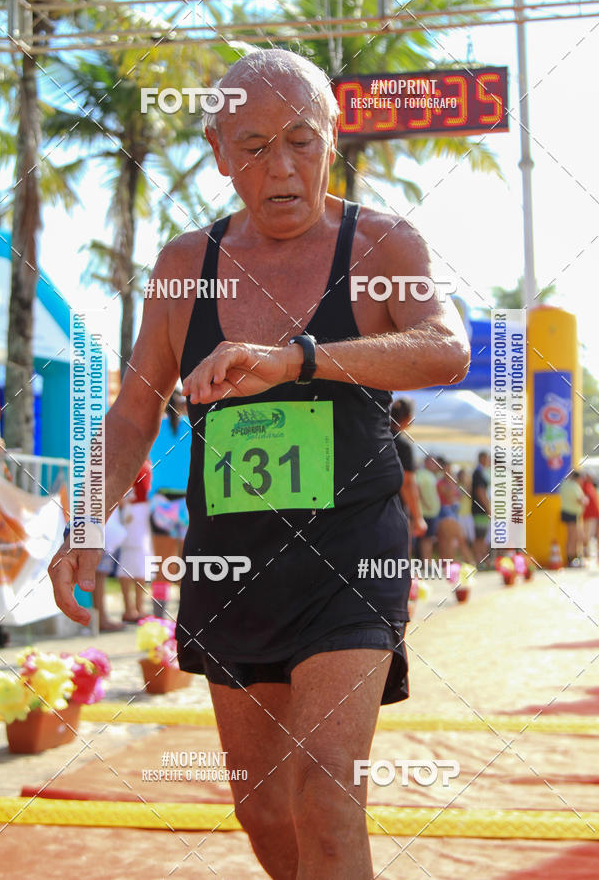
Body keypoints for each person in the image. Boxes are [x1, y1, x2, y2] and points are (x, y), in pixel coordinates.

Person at [48, 49, 469, 879]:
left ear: (333, 141)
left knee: (323, 787)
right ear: (215, 152)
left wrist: (296, 359)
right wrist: (84, 526)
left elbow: (445, 348)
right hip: (231, 567)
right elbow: (135, 408)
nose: (280, 168)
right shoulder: (183, 268)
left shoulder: (384, 244)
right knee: (261, 805)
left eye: (301, 141)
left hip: (351, 558)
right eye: (252, 146)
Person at [116, 459, 153, 621]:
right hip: (134, 512)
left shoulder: (144, 459)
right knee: (131, 558)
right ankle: (130, 608)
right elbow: (122, 486)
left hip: (142, 511)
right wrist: (125, 505)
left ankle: (138, 607)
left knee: (140, 559)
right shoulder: (133, 457)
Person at [390, 398, 427, 545]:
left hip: (369, 508)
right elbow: (407, 483)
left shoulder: (377, 437)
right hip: (395, 509)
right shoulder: (403, 445)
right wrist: (418, 518)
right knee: (398, 557)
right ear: (408, 418)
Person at [415, 455, 442, 563]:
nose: (435, 465)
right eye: (432, 462)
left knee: (429, 538)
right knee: (426, 539)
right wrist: (425, 503)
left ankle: (427, 561)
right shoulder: (421, 474)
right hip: (424, 512)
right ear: (426, 462)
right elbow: (417, 489)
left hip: (431, 512)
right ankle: (426, 562)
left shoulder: (431, 475)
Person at [559, 470, 587, 567]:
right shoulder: (574, 486)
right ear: (577, 478)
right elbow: (580, 499)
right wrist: (585, 500)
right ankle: (572, 559)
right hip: (573, 513)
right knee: (573, 537)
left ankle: (571, 558)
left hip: (565, 512)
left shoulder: (564, 484)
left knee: (571, 536)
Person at [471, 450, 491, 567]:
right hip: (480, 509)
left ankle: (482, 559)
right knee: (480, 536)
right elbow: (480, 491)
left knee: (482, 536)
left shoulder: (480, 472)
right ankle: (480, 559)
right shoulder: (478, 473)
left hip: (480, 509)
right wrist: (487, 508)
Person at [581, 472, 599, 559]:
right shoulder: (584, 486)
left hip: (593, 514)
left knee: (590, 534)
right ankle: (585, 552)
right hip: (587, 514)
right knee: (587, 534)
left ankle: (587, 551)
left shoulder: (590, 486)